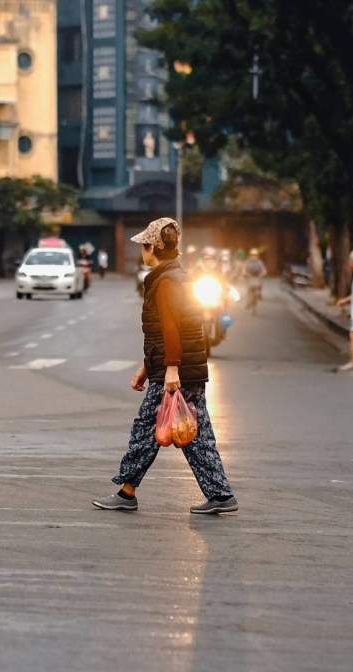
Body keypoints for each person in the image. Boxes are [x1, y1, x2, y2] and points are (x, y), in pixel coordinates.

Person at [94, 217, 237, 515]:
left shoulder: (166, 281)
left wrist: (171, 368)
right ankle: (221, 495)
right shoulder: (178, 276)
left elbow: (171, 329)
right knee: (195, 435)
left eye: (144, 247)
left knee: (146, 429)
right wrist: (146, 367)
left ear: (153, 248)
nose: (141, 254)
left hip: (176, 372)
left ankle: (127, 491)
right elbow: (162, 333)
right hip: (185, 369)